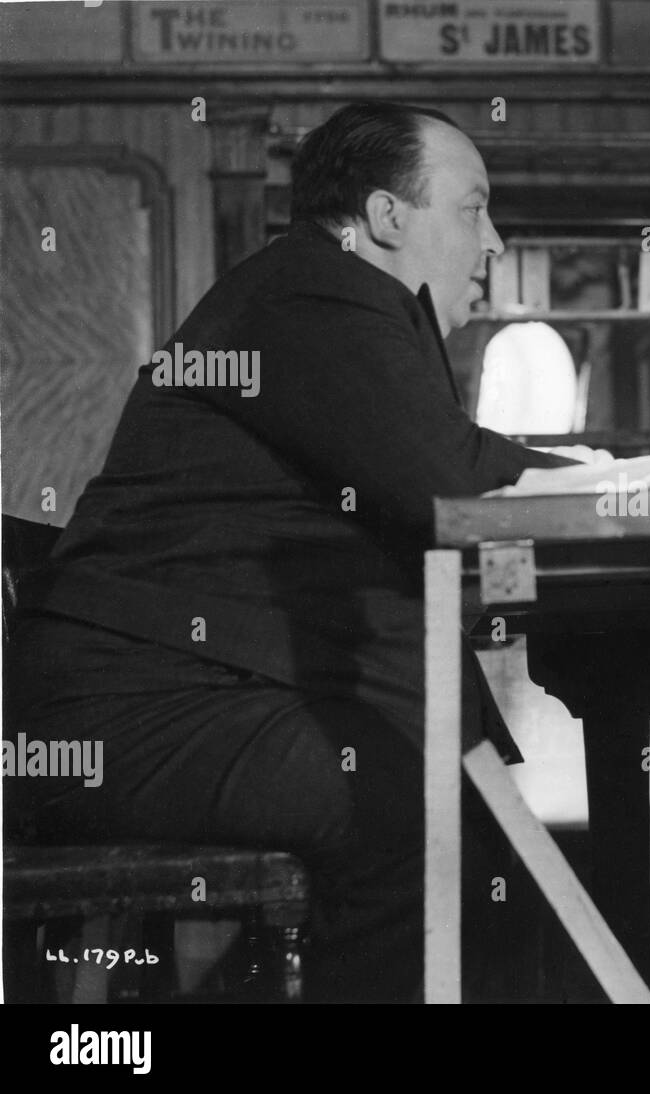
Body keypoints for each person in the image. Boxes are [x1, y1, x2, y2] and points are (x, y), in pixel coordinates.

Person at [7, 102, 587, 1001]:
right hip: (125, 714)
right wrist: (614, 477)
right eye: (473, 209)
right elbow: (450, 480)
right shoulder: (321, 291)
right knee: (417, 804)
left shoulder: (333, 299)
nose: (495, 242)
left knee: (456, 798)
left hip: (182, 692)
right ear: (387, 216)